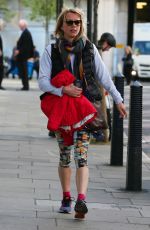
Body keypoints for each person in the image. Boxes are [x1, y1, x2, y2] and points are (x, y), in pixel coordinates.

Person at [38, 8, 127, 219]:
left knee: (82, 156)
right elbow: (42, 81)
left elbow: (104, 77)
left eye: (77, 22)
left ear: (81, 25)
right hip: (63, 111)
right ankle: (66, 196)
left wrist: (118, 99)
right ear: (62, 25)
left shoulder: (89, 48)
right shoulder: (51, 50)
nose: (73, 26)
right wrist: (62, 90)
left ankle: (81, 199)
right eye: (69, 22)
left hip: (85, 111)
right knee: (65, 156)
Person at [95, 32, 117, 141]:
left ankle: (103, 135)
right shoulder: (96, 51)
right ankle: (102, 135)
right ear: (105, 43)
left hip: (97, 88)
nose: (108, 50)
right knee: (101, 112)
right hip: (94, 89)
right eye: (109, 47)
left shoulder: (98, 50)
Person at [15, 19, 34, 90]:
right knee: (23, 71)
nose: (19, 26)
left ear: (24, 25)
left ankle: (25, 86)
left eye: (20, 25)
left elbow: (26, 46)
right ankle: (25, 85)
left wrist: (19, 50)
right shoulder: (25, 32)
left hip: (23, 56)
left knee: (24, 71)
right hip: (23, 56)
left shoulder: (26, 33)